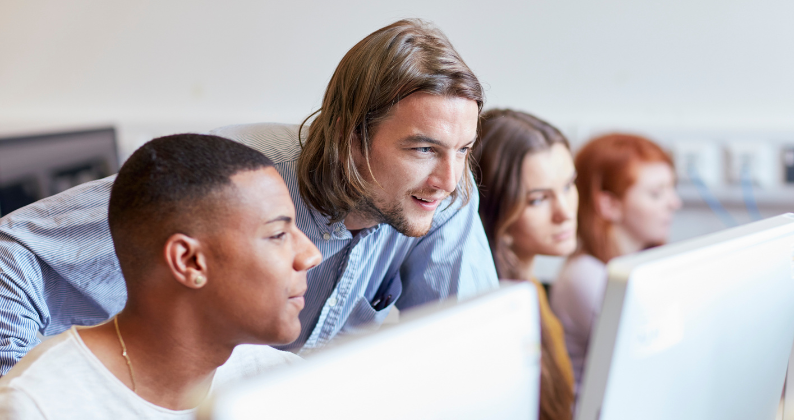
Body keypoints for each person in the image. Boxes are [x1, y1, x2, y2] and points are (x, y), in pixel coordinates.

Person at [0, 19, 498, 374]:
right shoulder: (237, 174)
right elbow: (10, 255)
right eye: (423, 149)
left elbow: (470, 355)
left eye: (464, 150)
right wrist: (30, 392)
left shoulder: (443, 196)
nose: (449, 179)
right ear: (350, 137)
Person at [0, 134, 322, 418]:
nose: (311, 255)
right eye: (278, 234)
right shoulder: (34, 406)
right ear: (190, 261)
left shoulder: (282, 385)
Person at [549, 133, 682, 390]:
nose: (675, 203)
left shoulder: (641, 265)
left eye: (671, 189)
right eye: (656, 194)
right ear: (609, 204)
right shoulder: (585, 277)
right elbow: (658, 365)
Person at [473, 109, 577, 420]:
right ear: (494, 211)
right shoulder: (495, 313)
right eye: (538, 199)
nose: (565, 212)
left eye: (569, 186)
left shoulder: (531, 288)